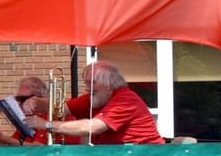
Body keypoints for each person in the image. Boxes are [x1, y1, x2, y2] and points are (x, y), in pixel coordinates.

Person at [29, 60, 165, 145]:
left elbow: (92, 127)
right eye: (86, 83)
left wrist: (47, 124)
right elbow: (60, 108)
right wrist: (35, 101)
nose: (87, 88)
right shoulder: (97, 97)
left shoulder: (125, 100)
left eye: (92, 83)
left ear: (109, 85)